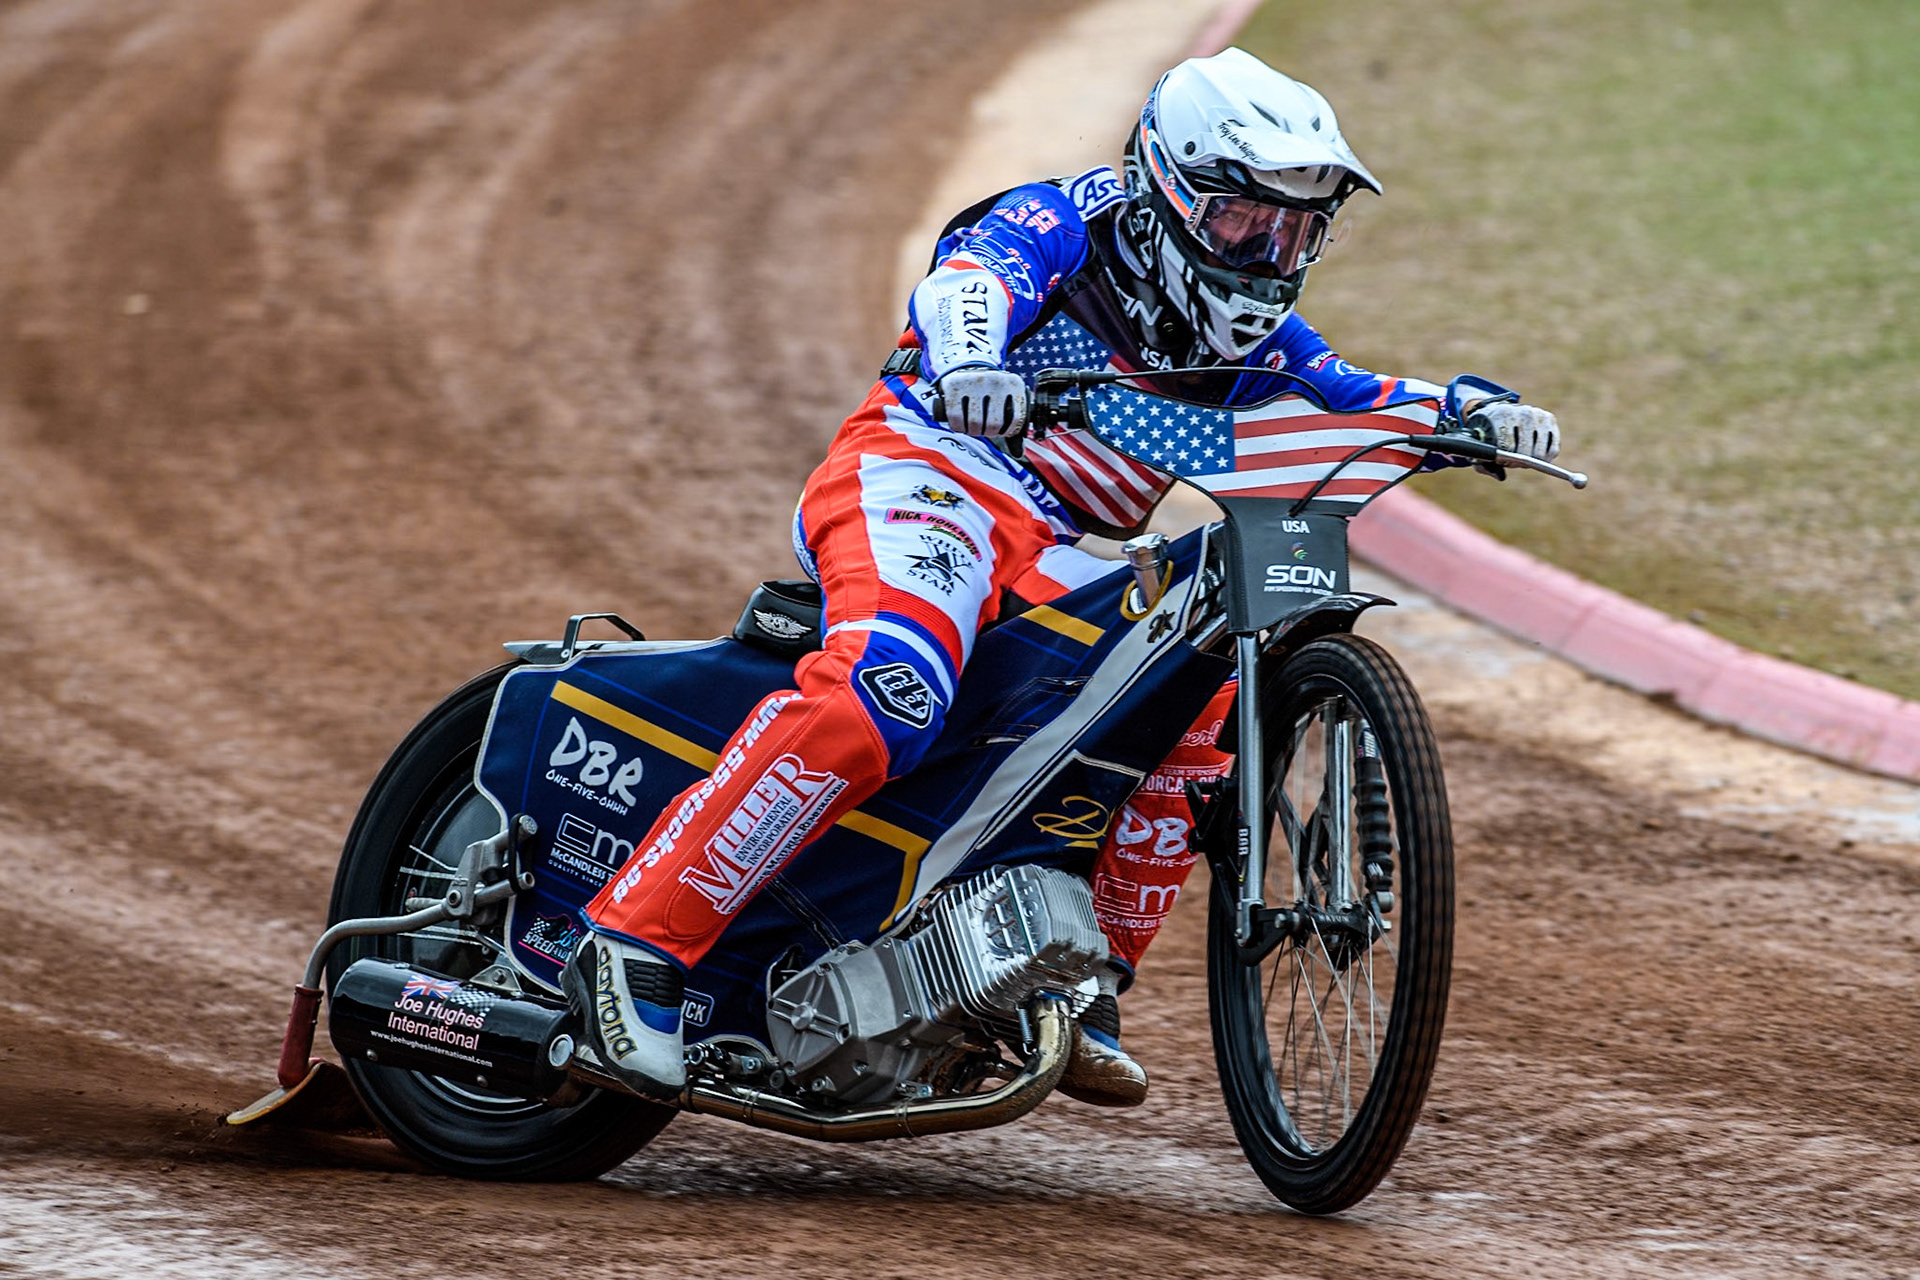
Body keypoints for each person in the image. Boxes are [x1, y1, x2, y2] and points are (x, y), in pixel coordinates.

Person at [564, 47, 1561, 1106]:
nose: (1267, 255)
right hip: (927, 469)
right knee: (884, 693)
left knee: (1191, 681)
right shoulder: (1064, 222)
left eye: (1295, 232)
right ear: (1171, 190)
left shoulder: (1267, 330)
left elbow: (1343, 395)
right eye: (1243, 223)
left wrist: (1461, 411)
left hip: (1060, 544)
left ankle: (1076, 984)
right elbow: (966, 283)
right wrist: (974, 363)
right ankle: (633, 943)